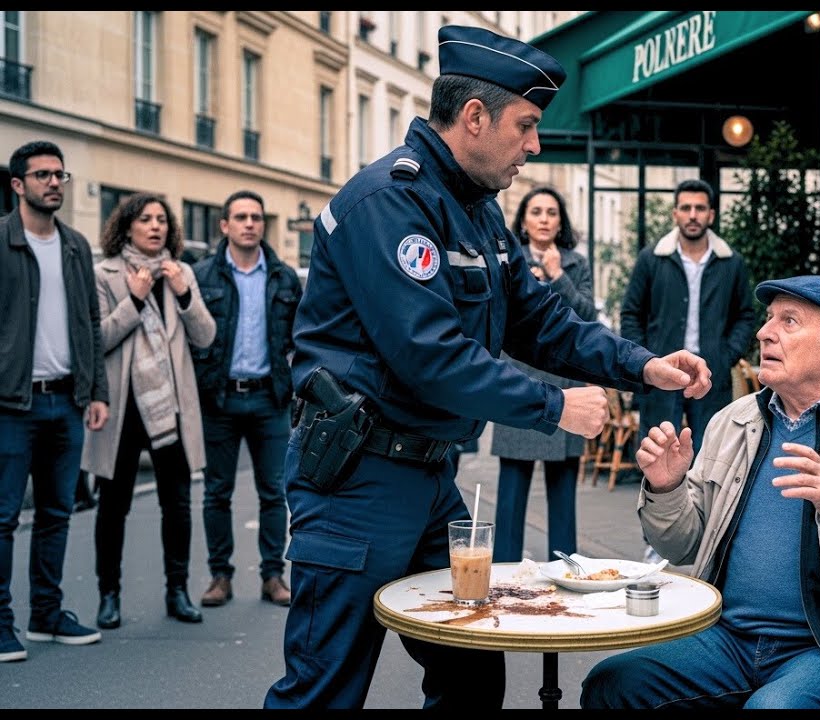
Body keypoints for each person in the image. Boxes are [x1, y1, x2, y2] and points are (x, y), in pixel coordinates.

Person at [263, 25, 711, 710]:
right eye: (526, 126)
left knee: (471, 674)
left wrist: (644, 366)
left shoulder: (477, 212)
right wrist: (554, 408)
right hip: (357, 481)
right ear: (474, 117)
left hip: (427, 477)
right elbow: (430, 355)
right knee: (325, 689)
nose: (535, 146)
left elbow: (540, 321)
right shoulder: (390, 201)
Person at [580, 275, 820, 709]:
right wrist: (666, 489)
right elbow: (681, 545)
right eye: (768, 319)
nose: (765, 332)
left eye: (789, 321)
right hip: (727, 639)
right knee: (612, 683)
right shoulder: (734, 421)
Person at [82, 193, 216, 629]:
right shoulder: (104, 274)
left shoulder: (183, 274)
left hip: (169, 408)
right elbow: (96, 340)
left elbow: (205, 336)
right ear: (126, 227)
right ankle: (109, 594)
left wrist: (183, 294)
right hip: (123, 408)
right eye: (145, 219)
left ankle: (177, 590)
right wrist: (135, 299)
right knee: (112, 506)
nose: (156, 226)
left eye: (162, 219)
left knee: (177, 504)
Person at [1, 140, 110, 662]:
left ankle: (45, 614)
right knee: (3, 519)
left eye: (59, 175)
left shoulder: (74, 246)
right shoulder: (1, 242)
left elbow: (90, 322)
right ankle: (0, 622)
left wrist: (95, 392)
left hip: (66, 402)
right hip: (11, 405)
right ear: (18, 184)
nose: (54, 182)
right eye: (42, 175)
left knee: (54, 515)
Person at [619, 177, 755, 562]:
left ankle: (705, 543)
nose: (693, 215)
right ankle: (655, 544)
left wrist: (724, 355)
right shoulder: (653, 258)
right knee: (658, 456)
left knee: (711, 457)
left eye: (700, 208)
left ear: (711, 214)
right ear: (676, 212)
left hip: (709, 378)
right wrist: (648, 362)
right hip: (663, 377)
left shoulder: (731, 262)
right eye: (686, 208)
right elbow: (631, 314)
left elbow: (745, 315)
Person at [192, 190, 302, 609]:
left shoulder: (283, 277)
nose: (250, 223)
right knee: (216, 492)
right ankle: (220, 575)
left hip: (269, 399)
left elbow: (298, 338)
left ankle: (273, 575)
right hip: (219, 399)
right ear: (225, 226)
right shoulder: (202, 276)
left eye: (256, 217)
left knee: (274, 491)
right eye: (240, 217)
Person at [490, 186, 596, 563]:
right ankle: (502, 571)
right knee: (511, 491)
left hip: (567, 383)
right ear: (523, 220)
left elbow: (587, 316)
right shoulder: (509, 259)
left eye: (552, 213)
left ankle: (566, 572)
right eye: (536, 212)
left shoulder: (576, 263)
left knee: (563, 492)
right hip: (519, 381)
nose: (544, 219)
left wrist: (556, 275)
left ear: (560, 220)